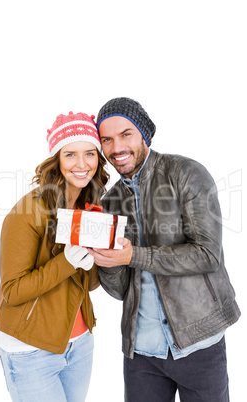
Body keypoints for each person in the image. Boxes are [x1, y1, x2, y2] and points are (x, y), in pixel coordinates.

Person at [88, 97, 241, 402]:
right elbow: (120, 290)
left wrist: (134, 255)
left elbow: (208, 255)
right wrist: (107, 260)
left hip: (199, 343)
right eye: (107, 139)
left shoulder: (185, 173)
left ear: (143, 134)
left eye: (125, 134)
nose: (116, 147)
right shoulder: (111, 201)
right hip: (141, 353)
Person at [0, 111, 109, 402]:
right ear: (56, 160)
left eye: (90, 154)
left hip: (80, 345)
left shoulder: (89, 206)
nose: (82, 164)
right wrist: (66, 262)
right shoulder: (28, 211)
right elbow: (12, 291)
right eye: (70, 154)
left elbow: (88, 283)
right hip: (31, 351)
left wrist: (102, 253)